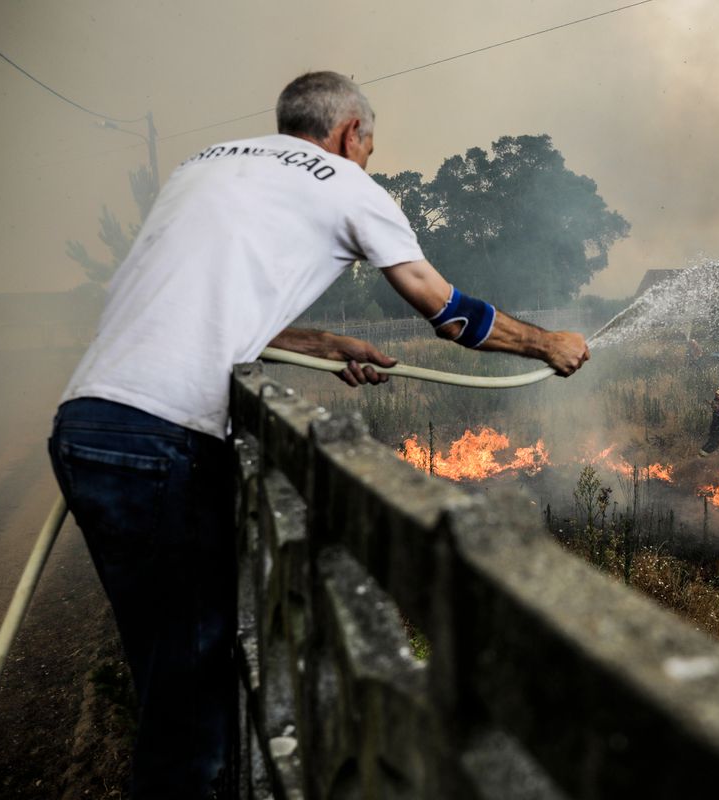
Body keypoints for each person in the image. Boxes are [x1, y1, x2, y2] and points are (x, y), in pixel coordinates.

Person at [47, 71, 589, 799]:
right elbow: (448, 311)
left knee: (168, 677)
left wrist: (323, 343)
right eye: (368, 144)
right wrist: (546, 343)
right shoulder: (346, 182)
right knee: (191, 710)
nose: (366, 157)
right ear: (347, 135)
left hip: (87, 421)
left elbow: (196, 307)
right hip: (163, 438)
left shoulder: (203, 165)